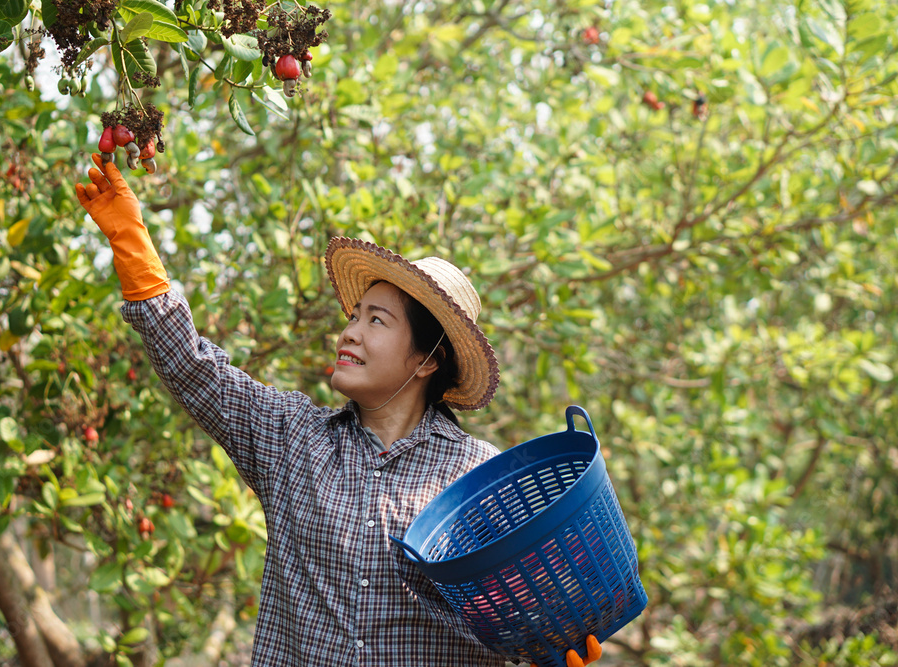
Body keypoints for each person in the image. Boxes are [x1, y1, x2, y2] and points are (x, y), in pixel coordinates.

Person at [75, 155, 603, 667]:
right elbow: (195, 369)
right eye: (354, 316)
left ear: (424, 361)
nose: (348, 332)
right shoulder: (291, 437)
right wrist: (133, 246)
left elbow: (514, 613)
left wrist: (550, 649)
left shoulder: (479, 477)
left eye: (376, 321)